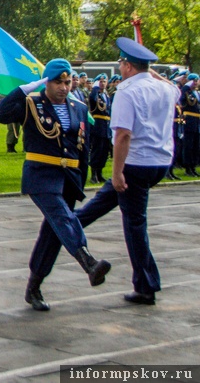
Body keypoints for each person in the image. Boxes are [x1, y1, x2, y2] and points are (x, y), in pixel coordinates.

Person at [0, 58, 111, 312]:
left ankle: (34, 286)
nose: (64, 87)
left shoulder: (78, 107)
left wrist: (81, 179)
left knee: (52, 233)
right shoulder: (31, 104)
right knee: (62, 216)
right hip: (41, 174)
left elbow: (83, 148)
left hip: (68, 177)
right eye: (58, 82)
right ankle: (88, 262)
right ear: (47, 82)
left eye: (67, 82)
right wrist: (24, 89)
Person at [75, 38, 180, 306]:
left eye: (122, 63)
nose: (120, 68)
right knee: (103, 203)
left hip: (136, 164)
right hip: (159, 162)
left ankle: (146, 286)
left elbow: (122, 135)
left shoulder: (127, 91)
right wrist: (149, 72)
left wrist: (118, 171)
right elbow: (171, 87)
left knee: (134, 224)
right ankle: (66, 226)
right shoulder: (166, 90)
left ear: (128, 66)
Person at [88, 74, 112, 183]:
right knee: (97, 150)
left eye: (104, 81)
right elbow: (92, 98)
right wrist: (95, 88)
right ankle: (93, 175)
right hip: (98, 124)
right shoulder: (95, 94)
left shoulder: (106, 95)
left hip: (106, 125)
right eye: (101, 81)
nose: (103, 83)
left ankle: (100, 173)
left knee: (104, 151)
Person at [178, 72, 200, 177]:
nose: (195, 83)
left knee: (196, 145)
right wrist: (186, 87)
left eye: (196, 80)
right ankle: (187, 167)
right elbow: (181, 99)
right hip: (188, 120)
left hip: (196, 122)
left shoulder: (196, 93)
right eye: (193, 80)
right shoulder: (186, 91)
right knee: (188, 145)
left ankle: (193, 166)